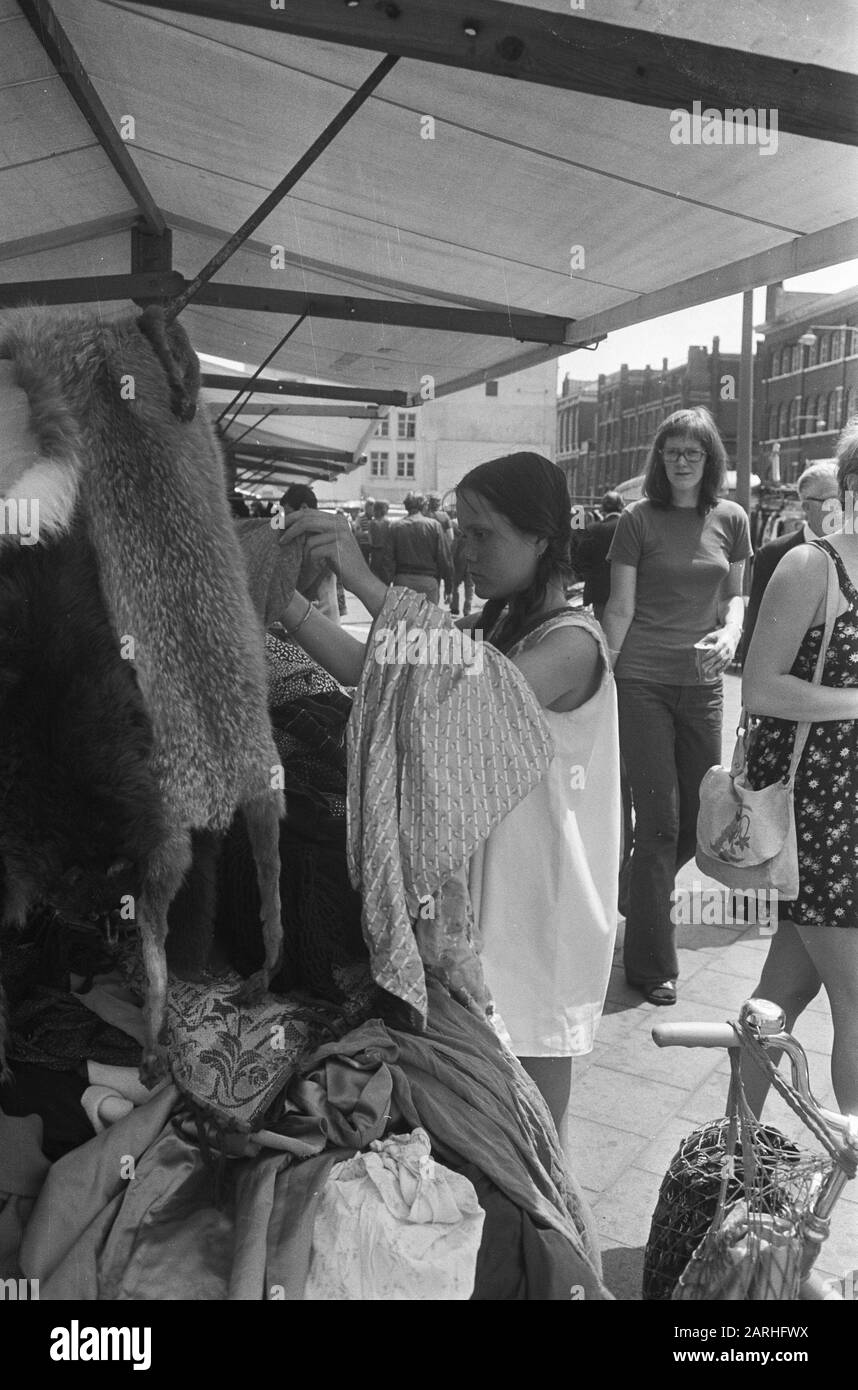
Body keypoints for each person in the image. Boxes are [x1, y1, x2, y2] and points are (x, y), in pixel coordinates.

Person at [273, 453, 621, 1133]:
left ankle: (558, 1237)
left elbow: (478, 698)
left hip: (542, 912)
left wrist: (365, 579)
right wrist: (285, 604)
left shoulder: (574, 644)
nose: (465, 551)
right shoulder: (489, 632)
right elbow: (371, 669)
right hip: (487, 910)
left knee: (536, 1132)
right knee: (490, 1121)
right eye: (461, 532)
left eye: (483, 535)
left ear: (542, 539)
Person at [602, 408, 752, 1006]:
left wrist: (731, 633)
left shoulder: (732, 518)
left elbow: (737, 595)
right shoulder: (637, 520)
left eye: (693, 452)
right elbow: (619, 607)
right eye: (672, 452)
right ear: (659, 459)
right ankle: (651, 965)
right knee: (660, 823)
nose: (682, 461)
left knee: (699, 818)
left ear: (710, 458)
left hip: (704, 684)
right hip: (641, 681)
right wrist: (600, 678)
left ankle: (637, 883)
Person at [741, 425, 858, 1119]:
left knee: (780, 994)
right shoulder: (813, 567)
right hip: (825, 811)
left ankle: (731, 1158)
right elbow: (759, 687)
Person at [742, 461, 842, 658]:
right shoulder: (774, 555)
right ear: (806, 507)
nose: (841, 509)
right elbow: (756, 633)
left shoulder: (853, 551)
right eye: (832, 502)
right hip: (788, 676)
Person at [277, 484, 340, 623]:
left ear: (304, 508)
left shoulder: (319, 536)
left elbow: (304, 586)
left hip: (321, 619)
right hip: (315, 616)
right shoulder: (312, 534)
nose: (286, 522)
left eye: (288, 514)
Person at [383, 491, 450, 603]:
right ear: (424, 506)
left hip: (402, 580)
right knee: (428, 619)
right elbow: (444, 558)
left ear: (406, 506)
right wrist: (448, 586)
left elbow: (387, 560)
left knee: (403, 619)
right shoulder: (434, 526)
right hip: (428, 581)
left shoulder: (395, 527)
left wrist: (385, 584)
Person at [572, 490, 625, 622]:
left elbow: (579, 559)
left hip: (599, 593)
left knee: (603, 632)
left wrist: (589, 576)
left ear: (602, 508)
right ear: (621, 506)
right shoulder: (630, 528)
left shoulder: (593, 530)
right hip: (626, 592)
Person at [368, 500, 394, 584]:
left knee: (375, 577)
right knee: (386, 578)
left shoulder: (372, 523)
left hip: (375, 552)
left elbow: (370, 540)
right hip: (386, 553)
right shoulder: (388, 523)